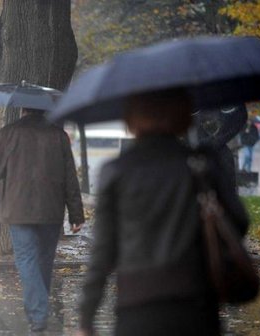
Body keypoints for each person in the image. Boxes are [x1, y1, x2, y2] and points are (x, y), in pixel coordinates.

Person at [77, 91, 249, 336]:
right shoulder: (202, 164)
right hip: (196, 305)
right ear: (183, 117)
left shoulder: (117, 171)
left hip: (137, 307)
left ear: (132, 118)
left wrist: (86, 317)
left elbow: (102, 251)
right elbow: (238, 222)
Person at [0, 108, 85, 332]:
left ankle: (38, 314)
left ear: (22, 109)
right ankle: (38, 312)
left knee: (27, 259)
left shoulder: (9, 133)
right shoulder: (58, 135)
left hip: (19, 209)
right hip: (51, 210)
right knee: (44, 262)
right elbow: (71, 177)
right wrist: (76, 215)